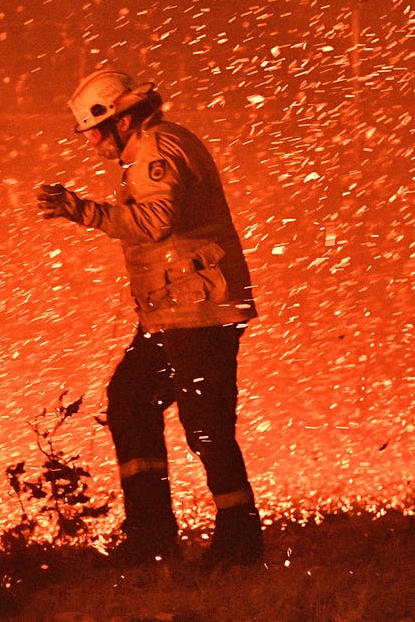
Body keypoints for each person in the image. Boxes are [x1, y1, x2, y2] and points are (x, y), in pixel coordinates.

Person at [36, 69, 263, 567]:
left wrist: (80, 209)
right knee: (131, 399)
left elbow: (155, 223)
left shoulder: (160, 151)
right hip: (175, 312)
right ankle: (151, 533)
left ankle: (239, 538)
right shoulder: (155, 148)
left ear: (125, 119)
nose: (92, 140)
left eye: (97, 129)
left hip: (200, 312)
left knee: (206, 424)